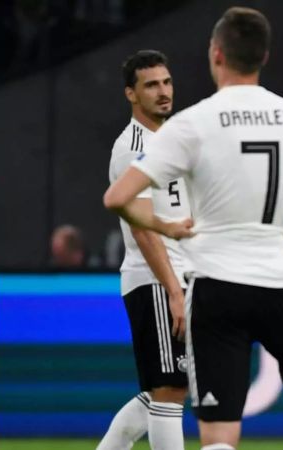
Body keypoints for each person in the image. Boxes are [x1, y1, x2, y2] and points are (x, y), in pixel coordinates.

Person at [103, 7, 283, 450]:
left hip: (214, 287)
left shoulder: (193, 123)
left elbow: (117, 199)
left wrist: (167, 227)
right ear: (264, 56)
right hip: (276, 279)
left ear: (216, 55)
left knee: (218, 429)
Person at [98, 49, 190, 450]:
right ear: (131, 95)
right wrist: (172, 290)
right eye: (151, 85)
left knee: (167, 388)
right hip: (155, 279)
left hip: (185, 275)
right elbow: (143, 231)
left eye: (166, 82)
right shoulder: (132, 148)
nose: (163, 91)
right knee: (168, 389)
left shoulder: (176, 138)